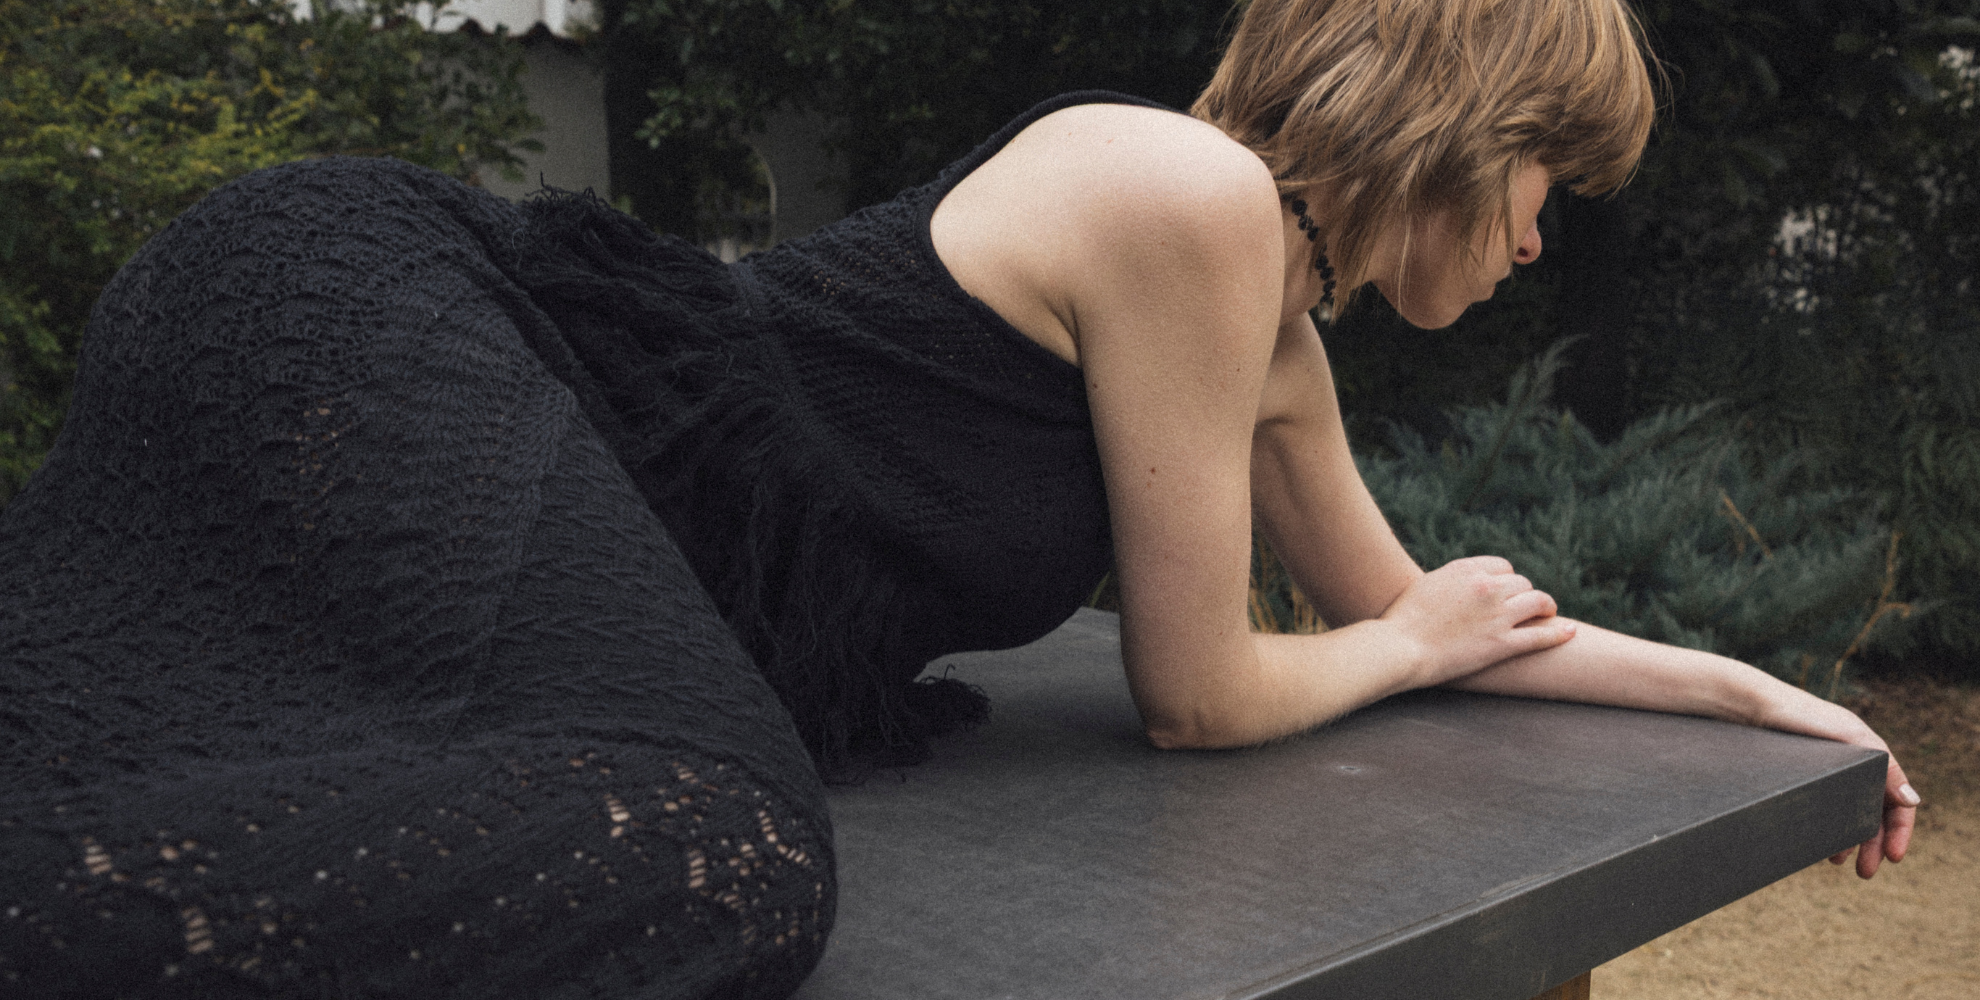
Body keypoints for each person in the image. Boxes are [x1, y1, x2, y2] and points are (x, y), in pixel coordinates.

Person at [0, 0, 1916, 996]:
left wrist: (1786, 715)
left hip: (500, 468)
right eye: (1548, 187)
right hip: (397, 324)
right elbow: (1205, 694)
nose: (1537, 242)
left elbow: (1452, 625)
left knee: (281, 753)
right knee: (712, 859)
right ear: (1465, 126)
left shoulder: (1273, 336)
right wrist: (1400, 647)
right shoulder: (1188, 195)